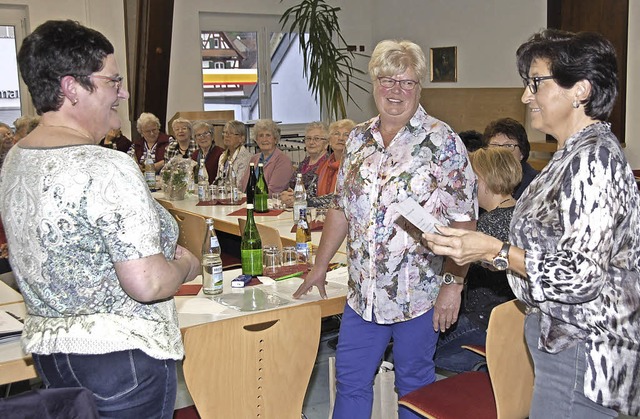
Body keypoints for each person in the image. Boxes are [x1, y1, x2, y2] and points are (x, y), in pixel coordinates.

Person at [424, 29, 640, 418]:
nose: (526, 96)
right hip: (564, 344)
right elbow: (547, 253)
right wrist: (477, 250)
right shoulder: (569, 156)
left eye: (536, 83)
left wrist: (495, 250)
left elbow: (582, 275)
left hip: (585, 354)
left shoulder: (593, 161)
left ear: (581, 90)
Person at [0, 20, 200, 417]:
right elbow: (147, 282)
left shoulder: (18, 158)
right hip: (121, 361)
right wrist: (186, 264)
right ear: (72, 87)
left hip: (54, 354)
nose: (122, 92)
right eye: (113, 81)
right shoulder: (105, 166)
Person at [293, 39, 477, 418]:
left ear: (419, 87)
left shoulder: (442, 141)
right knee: (351, 379)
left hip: (419, 294)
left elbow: (464, 223)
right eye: (387, 80)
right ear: (374, 82)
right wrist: (320, 265)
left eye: (406, 82)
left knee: (414, 384)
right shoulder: (359, 138)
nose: (396, 90)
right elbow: (343, 208)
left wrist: (452, 286)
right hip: (364, 293)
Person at [433, 147, 520, 373]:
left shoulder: (483, 229)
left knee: (413, 351)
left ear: (481, 181)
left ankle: (481, 368)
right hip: (512, 323)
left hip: (481, 323)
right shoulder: (523, 214)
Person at [483, 117, 538, 199]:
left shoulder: (534, 184)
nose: (501, 152)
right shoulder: (480, 178)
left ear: (522, 152)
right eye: (494, 145)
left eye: (508, 146)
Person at [307, 118, 356, 209]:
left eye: (346, 135)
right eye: (336, 134)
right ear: (329, 140)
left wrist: (307, 201)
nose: (340, 138)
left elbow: (339, 199)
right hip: (321, 215)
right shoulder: (324, 165)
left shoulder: (354, 166)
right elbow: (310, 193)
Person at [280, 121, 330, 207]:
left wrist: (297, 198)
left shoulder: (328, 164)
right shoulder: (305, 162)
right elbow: (291, 186)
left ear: (326, 144)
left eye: (316, 139)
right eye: (308, 138)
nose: (311, 142)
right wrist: (286, 195)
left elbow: (321, 195)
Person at [240, 119, 294, 194]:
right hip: (249, 201)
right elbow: (243, 185)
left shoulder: (283, 160)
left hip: (268, 203)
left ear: (275, 139)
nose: (264, 139)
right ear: (256, 140)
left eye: (268, 135)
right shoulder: (254, 158)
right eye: (261, 135)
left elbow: (273, 191)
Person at [214, 119, 252, 189]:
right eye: (225, 132)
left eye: (231, 133)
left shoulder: (246, 157)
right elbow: (218, 180)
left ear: (241, 138)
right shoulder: (222, 156)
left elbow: (239, 185)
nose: (226, 136)